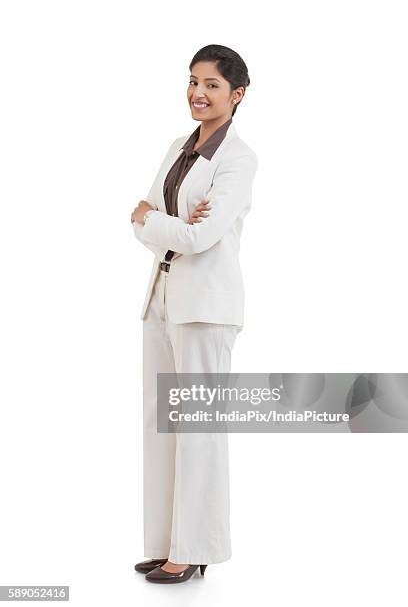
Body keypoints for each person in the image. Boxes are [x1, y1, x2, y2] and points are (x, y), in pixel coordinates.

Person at [130, 44, 258, 584]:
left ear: (237, 94)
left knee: (199, 430)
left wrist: (160, 221)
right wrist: (166, 222)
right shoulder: (176, 147)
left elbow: (200, 235)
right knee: (163, 426)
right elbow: (143, 218)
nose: (198, 93)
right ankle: (166, 543)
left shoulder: (239, 158)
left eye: (211, 84)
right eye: (192, 82)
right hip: (163, 298)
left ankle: (195, 548)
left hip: (206, 307)